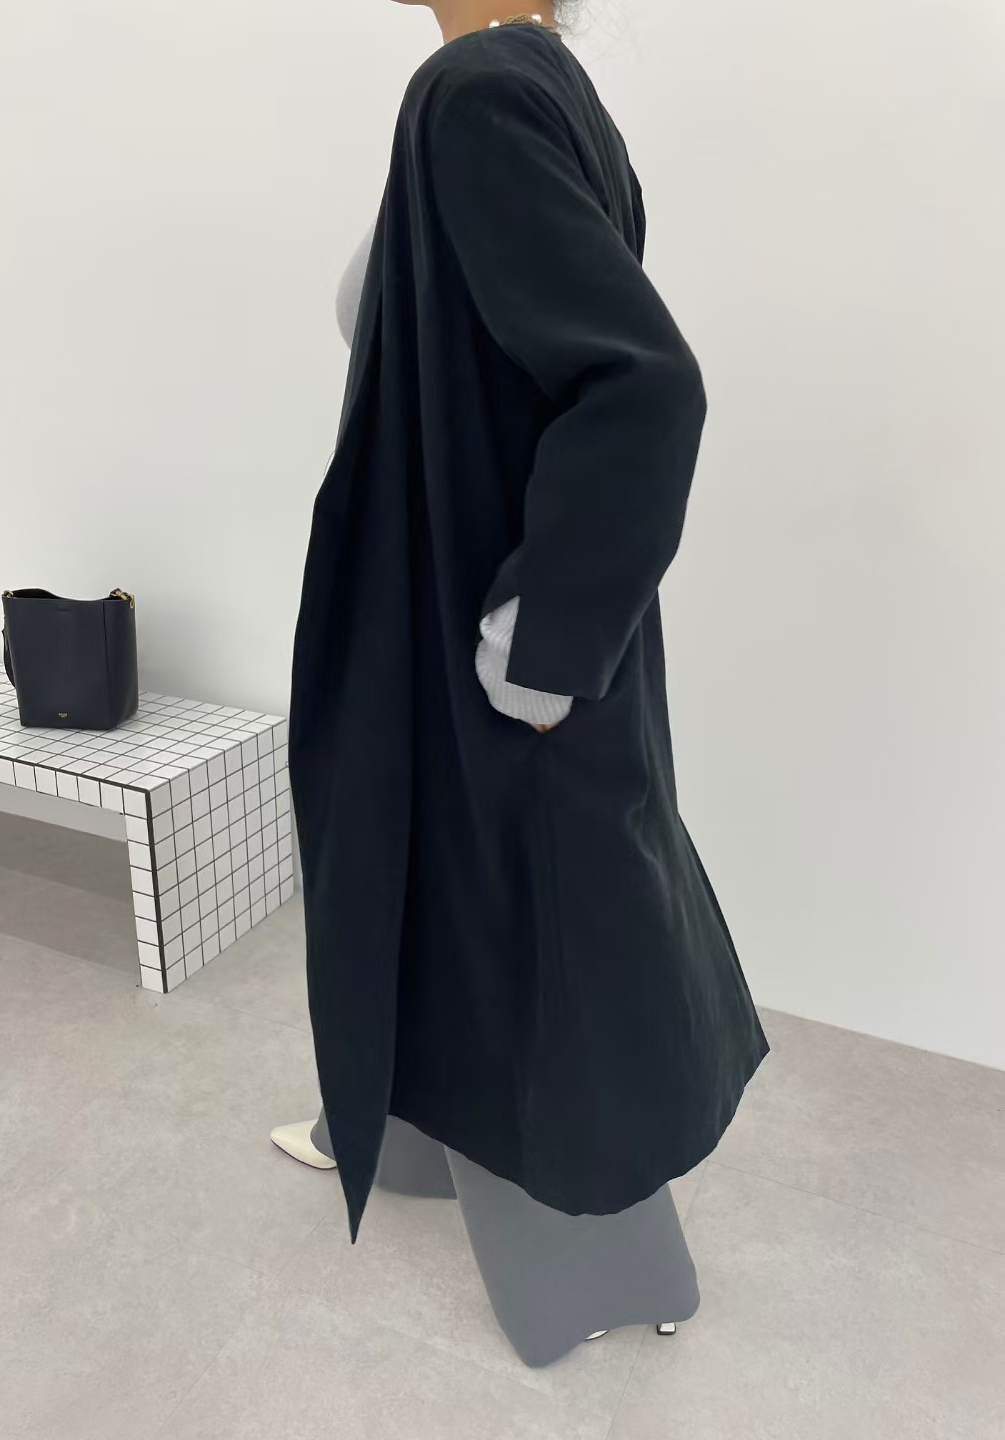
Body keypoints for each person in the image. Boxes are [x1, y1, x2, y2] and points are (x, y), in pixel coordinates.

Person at [279, 0, 771, 1369]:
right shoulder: (527, 86)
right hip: (464, 599)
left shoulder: (475, 94)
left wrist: (547, 630)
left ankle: (605, 1270)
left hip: (486, 630)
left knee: (525, 933)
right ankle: (405, 1130)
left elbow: (644, 385)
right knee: (434, 884)